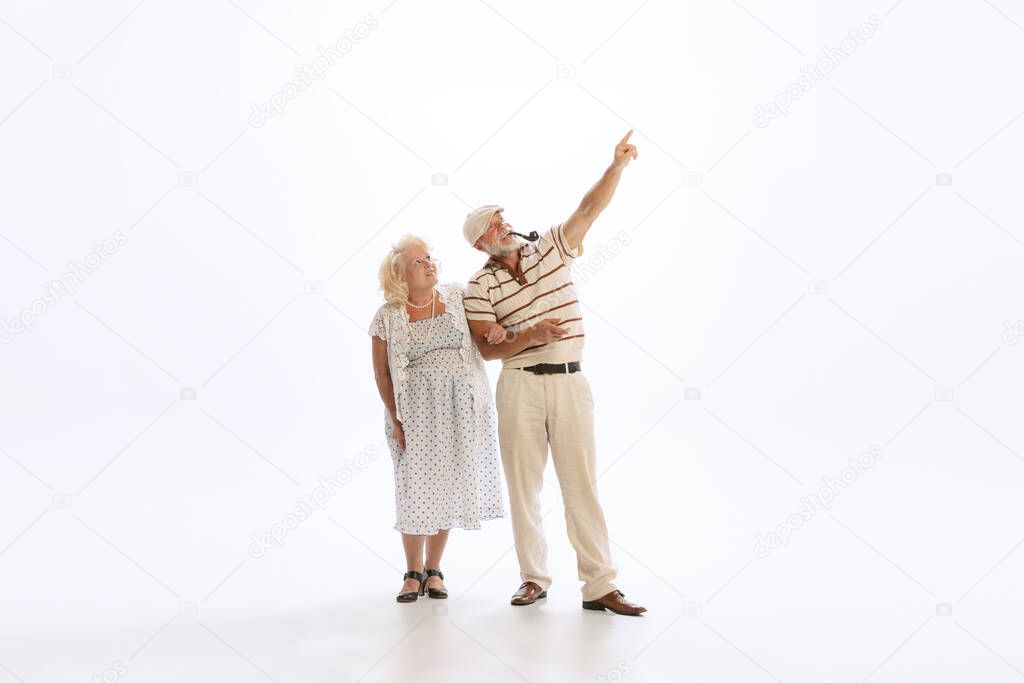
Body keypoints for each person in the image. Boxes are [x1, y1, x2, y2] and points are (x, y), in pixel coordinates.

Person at [461, 131, 647, 616]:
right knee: (524, 487)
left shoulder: (550, 248)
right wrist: (531, 336)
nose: (502, 222)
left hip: (570, 381)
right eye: (491, 222)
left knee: (580, 484)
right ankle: (534, 580)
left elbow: (589, 211)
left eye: (501, 215)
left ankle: (600, 585)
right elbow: (485, 346)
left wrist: (617, 166)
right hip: (519, 385)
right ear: (480, 241)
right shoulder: (478, 286)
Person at [369, 235, 508, 602]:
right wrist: (395, 418)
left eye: (429, 257)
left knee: (446, 487)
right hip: (415, 417)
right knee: (415, 490)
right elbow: (383, 374)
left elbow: (486, 330)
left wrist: (494, 331)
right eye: (418, 261)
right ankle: (412, 571)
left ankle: (434, 569)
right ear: (400, 275)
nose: (429, 263)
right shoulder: (387, 317)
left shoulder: (457, 297)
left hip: (460, 412)